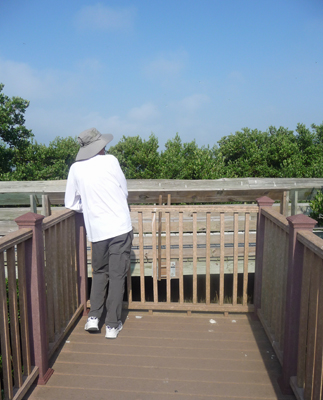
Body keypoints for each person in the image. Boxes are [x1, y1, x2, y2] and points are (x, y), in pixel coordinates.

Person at [65, 127, 133, 339]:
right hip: (120, 227)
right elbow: (124, 191)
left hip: (97, 230)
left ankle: (94, 317)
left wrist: (91, 206)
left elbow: (71, 203)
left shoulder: (75, 169)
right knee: (117, 275)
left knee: (100, 273)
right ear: (100, 146)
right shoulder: (111, 161)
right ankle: (112, 325)